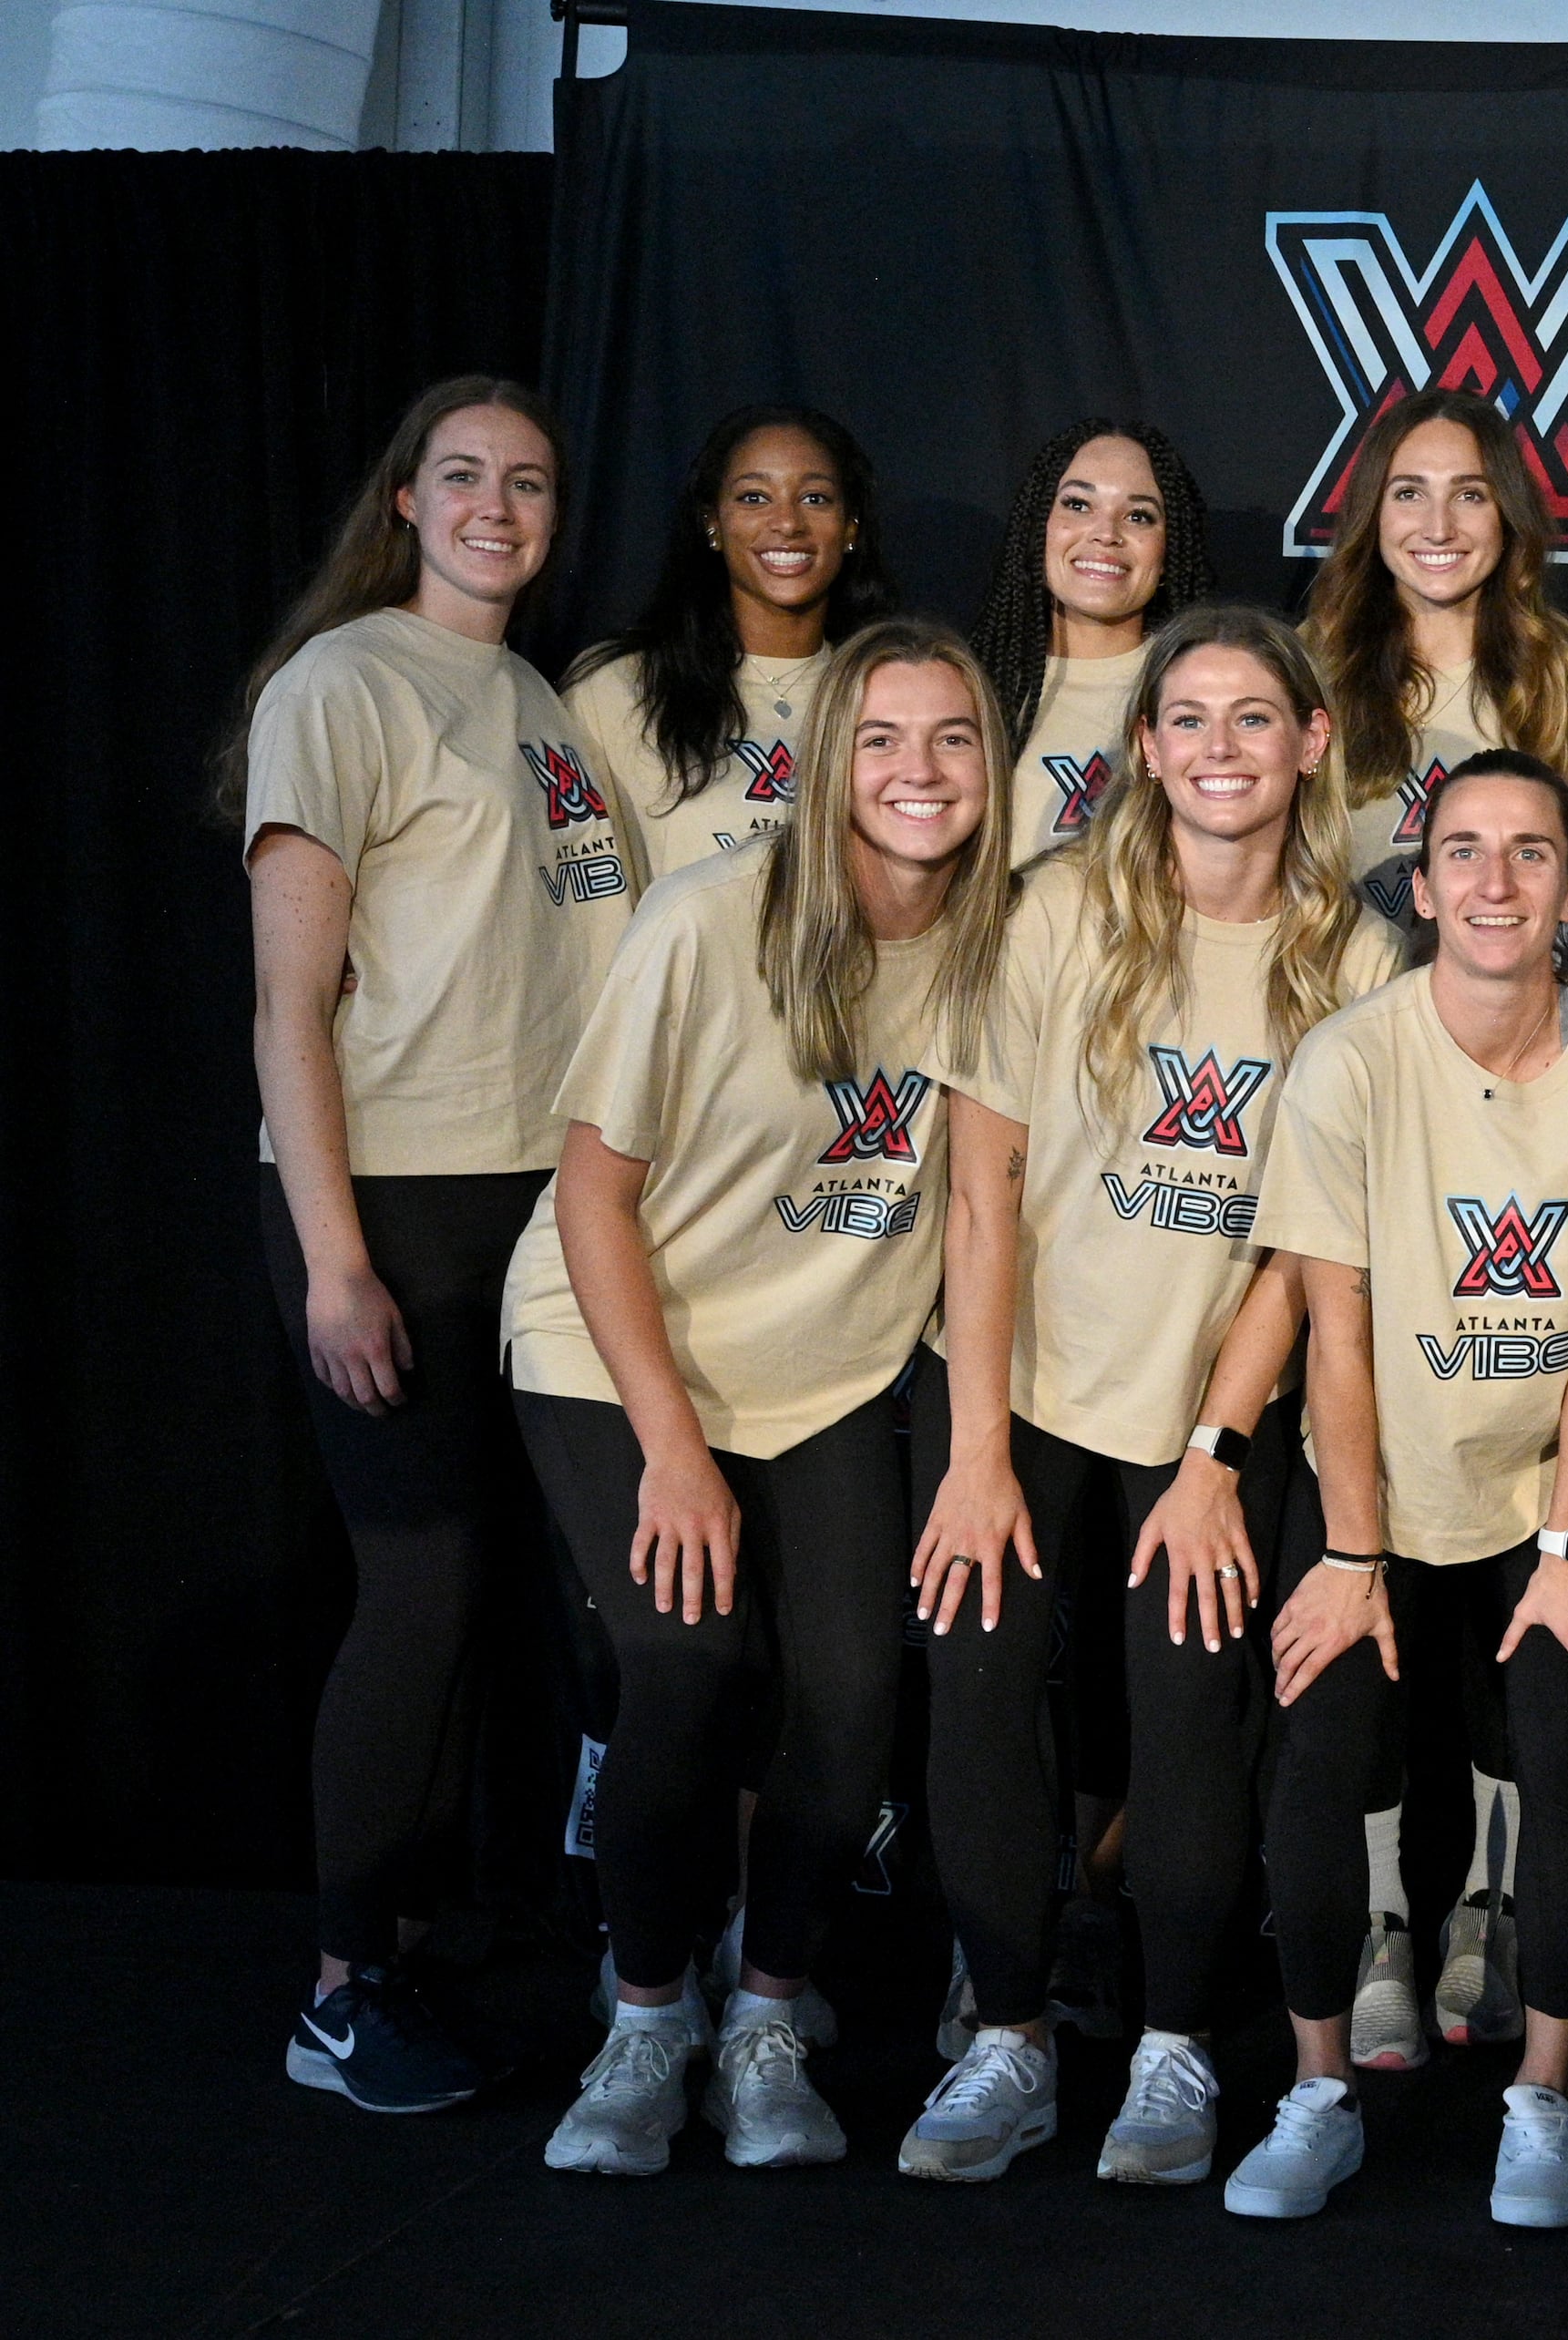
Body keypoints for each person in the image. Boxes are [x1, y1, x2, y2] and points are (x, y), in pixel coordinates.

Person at [894, 605, 1391, 2185]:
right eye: (1189, 718)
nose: (1222, 748)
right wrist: (978, 1449)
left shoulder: (1361, 952)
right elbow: (982, 1191)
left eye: (1257, 717)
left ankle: (1173, 2050)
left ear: (1313, 741)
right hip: (1019, 1395)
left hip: (1212, 1417)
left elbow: (1313, 1250)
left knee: (1188, 1726)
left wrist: (1216, 1451)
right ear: (1147, 746)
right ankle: (1013, 2038)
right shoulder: (1051, 913)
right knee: (980, 1702)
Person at [517, 618, 1013, 2176]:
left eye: (951, 740)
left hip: (824, 1372)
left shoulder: (1005, 946)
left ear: (993, 768)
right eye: (881, 738)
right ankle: (650, 2010)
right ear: (826, 765)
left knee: (860, 1687)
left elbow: (995, 1206)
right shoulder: (709, 915)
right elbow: (593, 1195)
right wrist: (669, 1443)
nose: (918, 772)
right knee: (685, 1656)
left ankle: (768, 2010)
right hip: (622, 1345)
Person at [1219, 750, 1568, 2227]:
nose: (1495, 879)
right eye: (1464, 852)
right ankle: (1319, 2090)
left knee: (1567, 1740)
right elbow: (1334, 1325)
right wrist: (1352, 1553)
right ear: (1419, 890)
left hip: (1550, 1481)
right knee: (1322, 1735)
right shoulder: (1352, 1058)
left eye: (1531, 851)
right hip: (1374, 1472)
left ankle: (1539, 2100)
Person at [238, 375, 632, 2116]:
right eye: (463, 476)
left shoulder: (541, 698)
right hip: (388, 1197)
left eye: (528, 482)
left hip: (539, 1201)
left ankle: (422, 1938)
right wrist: (333, 1256)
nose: (496, 505)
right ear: (404, 498)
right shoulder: (343, 683)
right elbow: (287, 1005)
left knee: (512, 1597)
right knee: (420, 1585)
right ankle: (338, 1994)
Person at [1304, 387, 1568, 935]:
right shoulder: (1302, 673)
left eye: (1469, 495)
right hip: (1331, 1004)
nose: (1438, 527)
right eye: (1408, 493)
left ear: (1507, 512)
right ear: (1372, 512)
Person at [564, 403, 895, 887]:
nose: (787, 523)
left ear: (850, 528)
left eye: (816, 498)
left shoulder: (890, 691)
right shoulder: (617, 691)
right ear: (712, 524)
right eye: (755, 498)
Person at [970, 420, 1215, 867]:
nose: (1106, 532)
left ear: (1169, 550)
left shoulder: (1203, 690)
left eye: (1139, 515)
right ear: (1038, 527)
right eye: (1078, 505)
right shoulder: (973, 687)